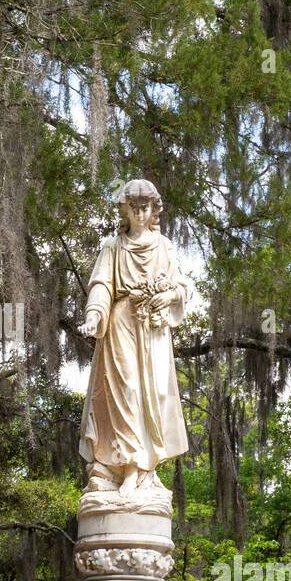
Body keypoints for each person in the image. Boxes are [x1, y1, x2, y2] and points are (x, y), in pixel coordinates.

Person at [76, 179, 190, 498]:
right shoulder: (114, 247)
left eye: (146, 207)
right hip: (121, 321)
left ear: (154, 209)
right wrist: (94, 315)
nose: (140, 213)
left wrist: (167, 298)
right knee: (125, 390)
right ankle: (127, 467)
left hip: (153, 329)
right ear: (125, 209)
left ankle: (145, 470)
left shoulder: (164, 246)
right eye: (134, 207)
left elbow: (182, 286)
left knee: (150, 394)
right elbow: (101, 285)